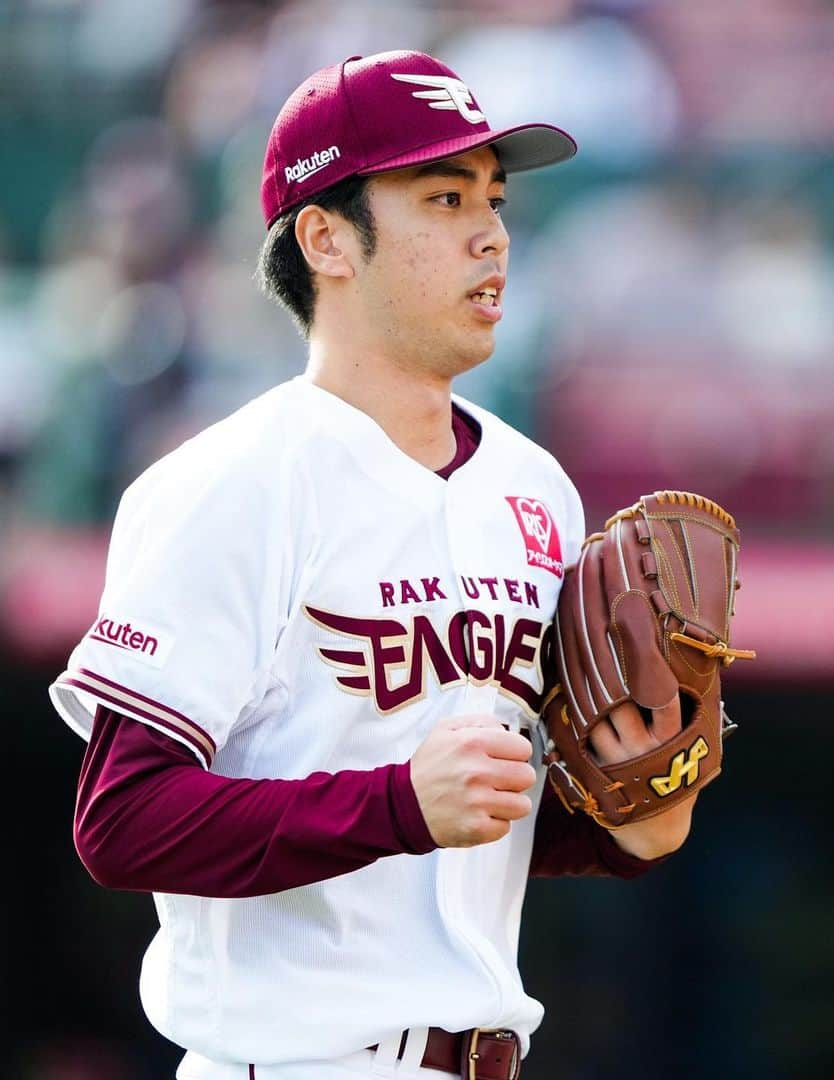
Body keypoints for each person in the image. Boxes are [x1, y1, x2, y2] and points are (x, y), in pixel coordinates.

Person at [49, 50, 698, 1080]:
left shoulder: (535, 487)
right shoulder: (230, 483)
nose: (491, 232)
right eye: (443, 198)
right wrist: (397, 801)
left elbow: (475, 813)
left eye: (493, 198)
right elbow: (120, 822)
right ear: (325, 239)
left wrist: (626, 819)